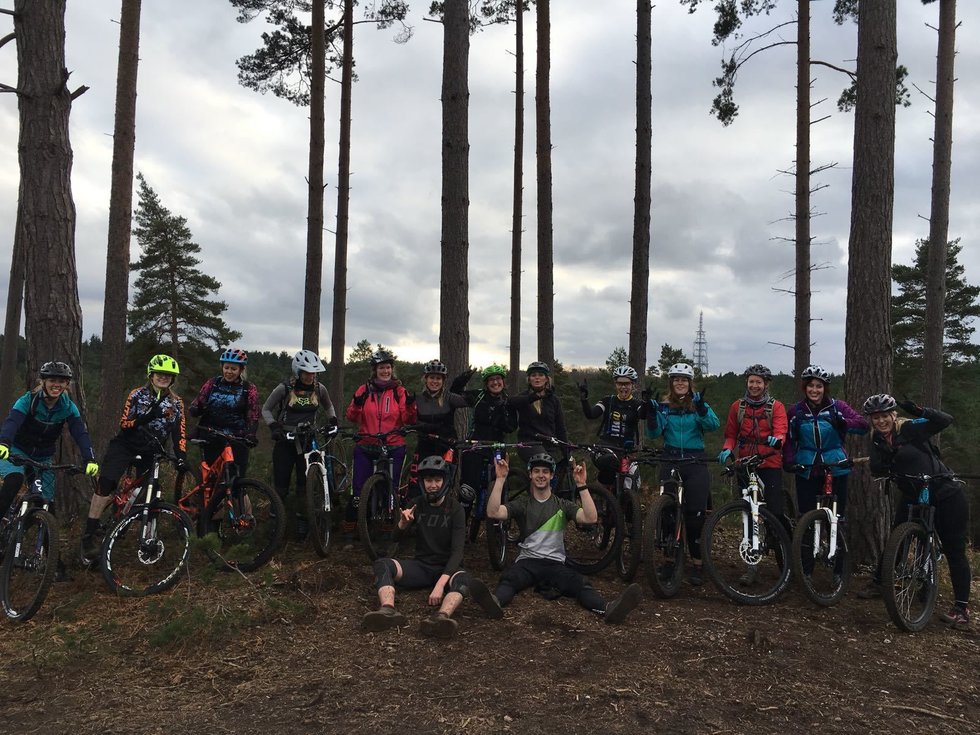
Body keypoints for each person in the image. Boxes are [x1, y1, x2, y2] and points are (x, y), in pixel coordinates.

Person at [485, 452, 643, 624]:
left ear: (552, 475)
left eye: (545, 472)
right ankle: (495, 604)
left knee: (581, 584)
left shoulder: (562, 504)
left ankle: (608, 609)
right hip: (527, 562)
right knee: (509, 580)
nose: (540, 475)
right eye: (536, 471)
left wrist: (582, 485)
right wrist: (500, 479)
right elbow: (493, 512)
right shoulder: (523, 503)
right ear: (530, 474)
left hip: (555, 563)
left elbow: (590, 518)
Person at [858, 393, 971, 629]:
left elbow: (945, 420)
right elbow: (876, 468)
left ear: (893, 415)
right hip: (912, 495)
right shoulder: (877, 441)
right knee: (896, 540)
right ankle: (881, 582)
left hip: (945, 493)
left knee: (954, 550)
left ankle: (961, 607)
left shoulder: (910, 429)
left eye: (884, 416)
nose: (880, 421)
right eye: (875, 417)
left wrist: (919, 410)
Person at [361, 455, 503, 638]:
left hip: (448, 570)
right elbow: (395, 538)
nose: (433, 485)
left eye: (437, 480)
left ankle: (441, 618)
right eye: (428, 480)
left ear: (445, 481)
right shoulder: (416, 504)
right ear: (422, 482)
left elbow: (458, 552)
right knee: (382, 564)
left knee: (464, 580)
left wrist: (440, 585)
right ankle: (388, 610)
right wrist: (402, 524)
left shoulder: (456, 509)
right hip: (421, 566)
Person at [81, 354, 187, 561]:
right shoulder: (137, 394)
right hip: (126, 445)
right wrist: (145, 418)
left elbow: (179, 432)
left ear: (172, 379)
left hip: (152, 450)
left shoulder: (176, 403)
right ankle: (88, 536)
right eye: (160, 374)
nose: (163, 378)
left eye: (168, 375)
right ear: (151, 375)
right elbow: (124, 423)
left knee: (152, 492)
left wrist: (181, 456)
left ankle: (146, 538)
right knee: (106, 484)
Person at [0, 361, 99, 576]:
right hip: (16, 450)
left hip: (43, 457)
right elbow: (12, 421)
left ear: (67, 385)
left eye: (62, 381)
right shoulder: (29, 400)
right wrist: (4, 443)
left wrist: (89, 458)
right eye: (52, 380)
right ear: (43, 382)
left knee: (47, 505)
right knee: (14, 480)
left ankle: (54, 565)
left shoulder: (67, 406)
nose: (57, 384)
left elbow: (80, 433)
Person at [645, 362, 719, 585]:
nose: (680, 383)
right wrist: (651, 413)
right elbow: (654, 433)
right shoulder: (664, 406)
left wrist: (703, 409)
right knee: (668, 514)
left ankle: (698, 562)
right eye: (676, 379)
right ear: (671, 382)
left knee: (695, 516)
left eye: (684, 380)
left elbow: (714, 425)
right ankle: (669, 561)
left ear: (689, 383)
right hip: (670, 459)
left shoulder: (697, 403)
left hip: (695, 461)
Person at [261, 349, 336, 540]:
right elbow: (266, 409)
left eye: (314, 372)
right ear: (298, 372)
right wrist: (274, 426)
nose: (311, 376)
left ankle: (303, 526)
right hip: (285, 441)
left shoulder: (320, 389)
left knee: (305, 486)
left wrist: (333, 420)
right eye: (306, 372)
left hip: (308, 441)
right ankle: (275, 526)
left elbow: (328, 405)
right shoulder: (284, 388)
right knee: (281, 487)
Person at [782, 365, 868, 523]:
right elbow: (788, 438)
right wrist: (788, 461)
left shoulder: (838, 407)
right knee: (806, 518)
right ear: (805, 388)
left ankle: (836, 546)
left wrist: (843, 423)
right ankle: (807, 547)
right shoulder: (796, 411)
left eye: (819, 386)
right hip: (807, 467)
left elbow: (863, 426)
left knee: (837, 518)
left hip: (836, 465)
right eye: (811, 386)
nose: (814, 390)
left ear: (825, 388)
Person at [345, 350, 416, 537]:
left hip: (393, 444)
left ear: (392, 370)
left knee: (390, 488)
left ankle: (389, 522)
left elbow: (408, 419)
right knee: (359, 488)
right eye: (381, 368)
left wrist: (409, 405)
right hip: (367, 442)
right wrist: (357, 403)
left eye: (388, 367)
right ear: (374, 370)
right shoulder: (364, 390)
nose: (385, 371)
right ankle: (355, 523)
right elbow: (351, 416)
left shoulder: (399, 391)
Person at [718, 364, 789, 520]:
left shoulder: (776, 407)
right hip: (745, 463)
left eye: (758, 382)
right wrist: (727, 448)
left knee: (775, 510)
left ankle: (779, 540)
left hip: (769, 462)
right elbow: (731, 435)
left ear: (766, 384)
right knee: (746, 507)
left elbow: (781, 430)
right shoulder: (738, 407)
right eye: (751, 382)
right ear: (746, 382)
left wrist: (777, 440)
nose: (754, 386)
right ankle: (749, 541)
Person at [453, 363, 518, 508]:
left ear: (503, 381)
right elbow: (455, 392)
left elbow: (511, 427)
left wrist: (502, 412)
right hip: (476, 443)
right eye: (491, 380)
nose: (495, 382)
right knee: (467, 490)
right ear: (486, 383)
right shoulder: (479, 396)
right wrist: (463, 378)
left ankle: (497, 519)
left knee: (499, 482)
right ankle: (464, 515)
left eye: (498, 379)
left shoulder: (508, 401)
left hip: (497, 446)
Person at [188, 347, 260, 473]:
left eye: (233, 369)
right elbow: (197, 403)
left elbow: (253, 415)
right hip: (211, 434)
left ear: (241, 370)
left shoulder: (248, 388)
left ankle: (238, 492)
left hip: (237, 437)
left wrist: (251, 434)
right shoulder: (213, 383)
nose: (229, 372)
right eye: (226, 368)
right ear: (222, 367)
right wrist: (196, 408)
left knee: (236, 476)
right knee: (211, 475)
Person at [579, 364, 648, 486]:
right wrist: (584, 399)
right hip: (606, 447)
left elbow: (642, 415)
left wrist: (646, 403)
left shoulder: (636, 404)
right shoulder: (608, 401)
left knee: (631, 483)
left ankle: (623, 501)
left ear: (633, 385)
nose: (623, 387)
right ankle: (602, 496)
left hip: (626, 451)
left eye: (626, 383)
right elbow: (591, 414)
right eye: (619, 383)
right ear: (615, 384)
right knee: (609, 463)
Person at [411, 359, 469, 495]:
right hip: (425, 444)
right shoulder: (418, 399)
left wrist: (459, 387)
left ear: (443, 380)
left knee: (444, 484)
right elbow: (409, 417)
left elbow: (469, 401)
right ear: (425, 379)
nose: (435, 381)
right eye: (432, 377)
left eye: (438, 378)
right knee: (417, 485)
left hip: (446, 444)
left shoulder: (449, 398)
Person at [509, 361, 568, 466]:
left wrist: (567, 452)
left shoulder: (553, 400)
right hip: (529, 443)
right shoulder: (523, 397)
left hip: (550, 444)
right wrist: (535, 396)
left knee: (560, 472)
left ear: (546, 379)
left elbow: (560, 428)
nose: (537, 378)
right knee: (545, 463)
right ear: (529, 379)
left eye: (541, 375)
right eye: (533, 375)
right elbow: (511, 402)